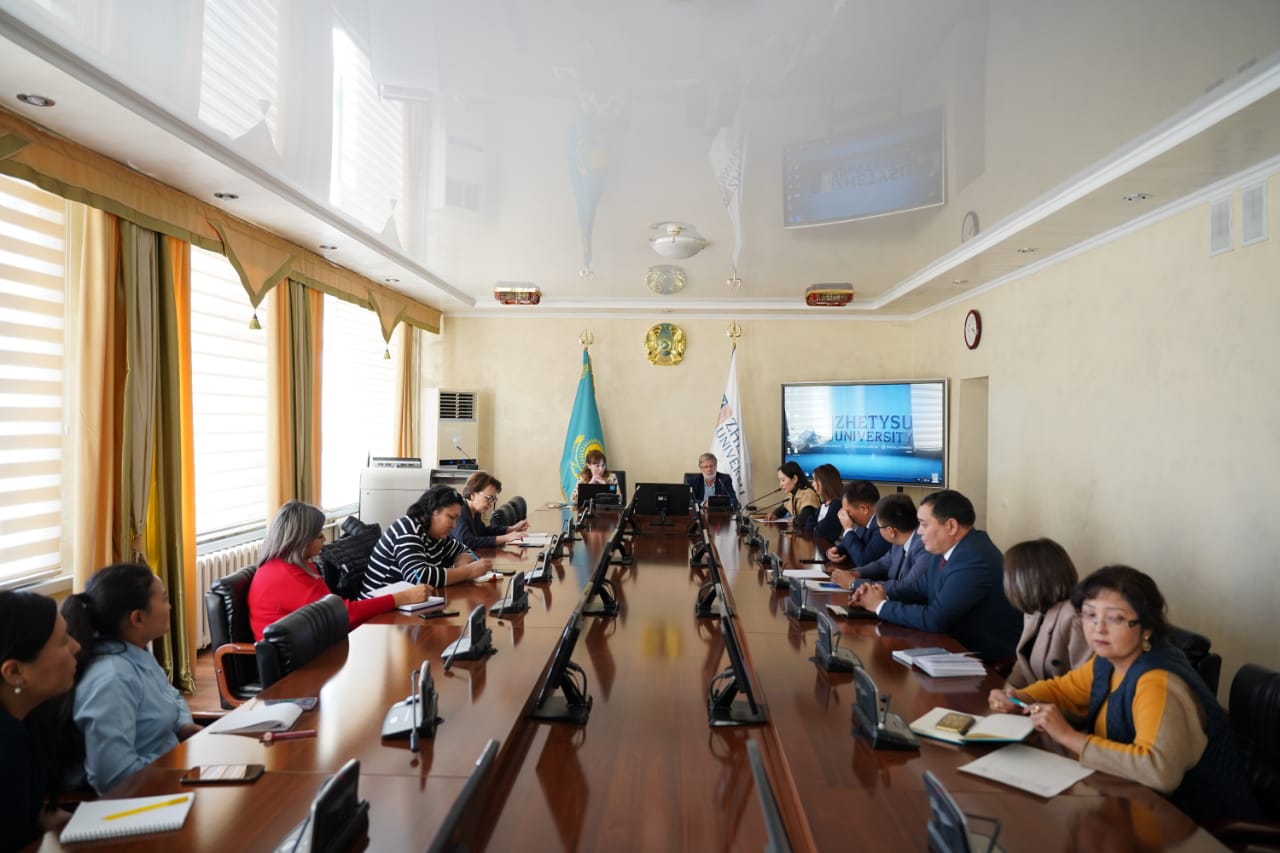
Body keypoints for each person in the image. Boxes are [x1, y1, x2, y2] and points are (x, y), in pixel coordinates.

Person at [989, 566, 1261, 824]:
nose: (1098, 628)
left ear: (1147, 628)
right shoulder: (1109, 660)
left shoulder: (1156, 682)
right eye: (1090, 615)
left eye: (1115, 618)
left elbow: (1158, 771)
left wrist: (1068, 736)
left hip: (1192, 825)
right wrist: (1017, 697)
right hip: (1128, 801)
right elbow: (1063, 690)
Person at [64, 564, 202, 793]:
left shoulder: (134, 652)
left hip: (170, 776)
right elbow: (114, 777)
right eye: (164, 599)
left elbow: (171, 695)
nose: (170, 606)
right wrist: (176, 766)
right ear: (137, 618)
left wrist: (183, 726)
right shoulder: (113, 678)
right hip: (143, 794)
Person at [851, 489, 1021, 664]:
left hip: (980, 659)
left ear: (951, 526)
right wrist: (874, 591)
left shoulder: (974, 560)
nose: (918, 532)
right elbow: (917, 588)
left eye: (924, 525)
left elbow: (935, 619)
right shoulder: (945, 550)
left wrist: (880, 606)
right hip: (950, 645)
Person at [249, 501, 434, 640]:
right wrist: (401, 598)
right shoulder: (287, 576)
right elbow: (344, 614)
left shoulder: (291, 565)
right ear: (302, 539)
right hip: (299, 663)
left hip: (313, 644)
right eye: (318, 535)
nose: (324, 539)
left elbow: (335, 609)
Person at [0, 591, 80, 850]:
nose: (77, 646)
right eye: (63, 641)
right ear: (14, 672)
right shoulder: (6, 745)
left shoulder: (29, 719)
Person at [360, 485, 493, 596]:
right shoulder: (407, 529)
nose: (454, 526)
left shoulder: (436, 535)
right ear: (433, 511)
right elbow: (419, 577)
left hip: (408, 606)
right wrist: (468, 572)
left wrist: (461, 566)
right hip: (377, 612)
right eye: (451, 517)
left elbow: (466, 551)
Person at [1001, 538, 1091, 688]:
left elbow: (1084, 685)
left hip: (1057, 701)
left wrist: (1028, 698)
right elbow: (1023, 664)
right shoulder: (1035, 611)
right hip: (1032, 698)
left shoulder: (1074, 618)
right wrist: (1008, 690)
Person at [829, 493, 929, 595]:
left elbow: (905, 587)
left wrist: (853, 583)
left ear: (891, 531)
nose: (878, 530)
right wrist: (855, 573)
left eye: (878, 527)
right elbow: (882, 565)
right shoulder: (899, 541)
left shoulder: (924, 548)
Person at [453, 471, 530, 549]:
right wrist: (505, 538)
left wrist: (511, 529)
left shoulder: (475, 511)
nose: (490, 504)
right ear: (472, 494)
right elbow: (467, 541)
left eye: (493, 499)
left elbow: (484, 532)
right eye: (488, 498)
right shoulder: (459, 511)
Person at [824, 480, 890, 565]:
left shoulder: (883, 526)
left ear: (864, 509)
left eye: (848, 511)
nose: (846, 515)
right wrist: (834, 551)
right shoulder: (864, 522)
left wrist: (847, 529)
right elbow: (855, 544)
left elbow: (863, 561)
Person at [771, 461, 821, 528]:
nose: (781, 484)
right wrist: (774, 514)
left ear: (795, 479)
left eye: (783, 480)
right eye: (780, 480)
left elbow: (803, 519)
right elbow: (782, 509)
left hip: (811, 533)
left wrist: (794, 521)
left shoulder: (808, 493)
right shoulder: (792, 494)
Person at [807, 464, 844, 540]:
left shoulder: (836, 505)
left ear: (825, 482)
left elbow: (820, 531)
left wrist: (815, 527)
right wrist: (815, 527)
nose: (812, 484)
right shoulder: (824, 504)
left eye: (815, 480)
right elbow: (808, 524)